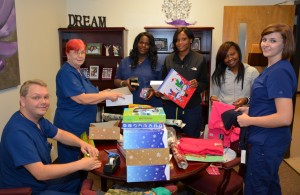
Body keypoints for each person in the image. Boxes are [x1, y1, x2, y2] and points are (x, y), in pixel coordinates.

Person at [0, 79, 102, 195]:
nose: (43, 102)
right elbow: (40, 172)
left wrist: (82, 143)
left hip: (40, 182)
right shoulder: (17, 132)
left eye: (46, 97)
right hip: (26, 190)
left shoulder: (37, 119)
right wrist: (81, 164)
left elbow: (61, 134)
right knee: (77, 171)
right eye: (36, 97)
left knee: (76, 178)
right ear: (23, 101)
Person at [236, 23, 297, 194]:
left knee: (256, 187)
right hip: (265, 138)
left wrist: (249, 120)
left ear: (285, 44)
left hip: (268, 141)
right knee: (269, 185)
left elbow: (285, 117)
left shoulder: (279, 72)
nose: (266, 44)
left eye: (273, 40)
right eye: (264, 39)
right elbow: (270, 104)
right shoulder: (272, 69)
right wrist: (250, 110)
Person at [54, 39, 124, 165]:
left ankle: (81, 184)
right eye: (76, 53)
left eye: (82, 52)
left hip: (82, 126)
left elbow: (87, 92)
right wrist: (106, 96)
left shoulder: (78, 71)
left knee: (83, 162)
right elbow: (81, 98)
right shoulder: (66, 73)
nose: (80, 56)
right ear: (67, 54)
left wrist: (102, 93)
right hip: (71, 127)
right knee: (72, 166)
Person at [161, 27, 208, 138]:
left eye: (184, 39)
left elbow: (204, 83)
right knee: (170, 140)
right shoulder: (169, 59)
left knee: (191, 140)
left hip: (192, 108)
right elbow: (163, 81)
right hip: (171, 107)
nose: (180, 43)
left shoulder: (200, 58)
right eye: (177, 40)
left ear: (191, 40)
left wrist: (197, 85)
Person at [114, 32, 162, 107]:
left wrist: (153, 91)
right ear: (137, 43)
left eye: (147, 44)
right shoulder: (125, 61)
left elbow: (162, 85)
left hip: (151, 106)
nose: (143, 45)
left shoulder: (157, 63)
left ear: (150, 46)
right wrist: (124, 83)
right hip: (130, 105)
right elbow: (116, 81)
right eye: (141, 42)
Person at [211, 41, 259, 107]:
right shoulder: (219, 73)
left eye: (232, 54)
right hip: (224, 113)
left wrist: (246, 100)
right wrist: (213, 98)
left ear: (238, 53)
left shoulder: (252, 72)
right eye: (225, 57)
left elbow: (258, 96)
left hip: (244, 113)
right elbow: (215, 95)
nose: (230, 58)